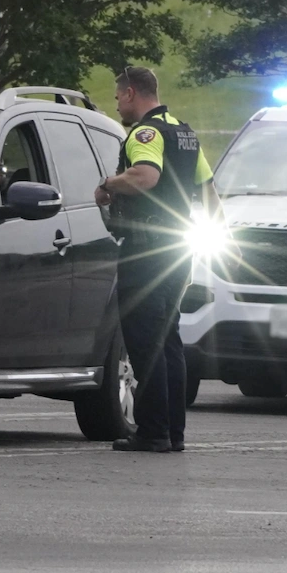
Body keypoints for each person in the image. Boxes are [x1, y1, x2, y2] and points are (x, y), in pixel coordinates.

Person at [94, 66, 217, 453]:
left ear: (131, 93)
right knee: (169, 341)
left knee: (145, 341)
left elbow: (145, 176)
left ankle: (152, 431)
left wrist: (107, 185)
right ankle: (173, 432)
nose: (117, 106)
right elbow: (210, 193)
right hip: (178, 249)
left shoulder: (145, 134)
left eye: (118, 98)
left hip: (146, 249)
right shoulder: (184, 133)